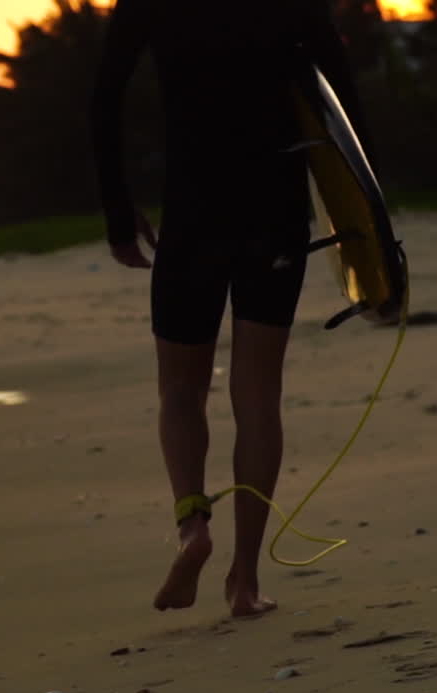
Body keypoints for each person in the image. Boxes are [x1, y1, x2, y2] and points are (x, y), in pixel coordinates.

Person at [91, 0, 369, 617]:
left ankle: (193, 526)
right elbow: (340, 92)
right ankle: (244, 580)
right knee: (258, 393)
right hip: (274, 210)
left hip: (195, 213)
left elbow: (105, 95)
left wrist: (117, 211)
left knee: (180, 390)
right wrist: (360, 215)